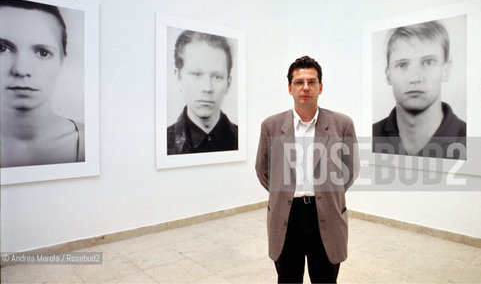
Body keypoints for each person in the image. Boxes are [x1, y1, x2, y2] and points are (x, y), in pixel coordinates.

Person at [255, 56, 359, 283]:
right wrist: (283, 192)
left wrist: (327, 191)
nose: (305, 87)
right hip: (287, 215)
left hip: (326, 215)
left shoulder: (342, 124)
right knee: (288, 278)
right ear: (289, 88)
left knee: (325, 279)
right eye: (299, 82)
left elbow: (350, 170)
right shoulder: (271, 126)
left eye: (311, 82)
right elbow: (263, 170)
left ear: (320, 87)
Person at [0, 0, 85, 168]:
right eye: (2, 49)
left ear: (62, 61)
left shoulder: (90, 141)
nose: (21, 69)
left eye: (42, 53)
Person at [373, 20, 466, 159]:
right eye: (402, 65)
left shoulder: (469, 138)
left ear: (446, 70)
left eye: (428, 62)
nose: (414, 78)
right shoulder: (372, 135)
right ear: (388, 74)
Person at [167, 30, 238, 155]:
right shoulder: (165, 142)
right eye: (196, 74)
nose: (207, 88)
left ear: (228, 82)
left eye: (217, 77)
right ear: (178, 77)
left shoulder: (244, 138)